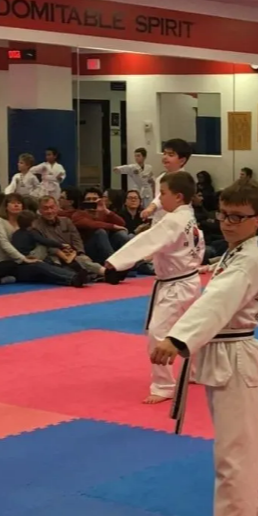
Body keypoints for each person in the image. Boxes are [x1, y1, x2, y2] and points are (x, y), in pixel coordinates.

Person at [151, 178, 258, 516]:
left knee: (233, 452)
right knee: (246, 441)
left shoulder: (247, 260)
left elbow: (217, 301)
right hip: (226, 353)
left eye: (237, 217)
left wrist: (177, 339)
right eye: (223, 215)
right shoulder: (237, 252)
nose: (227, 223)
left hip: (234, 355)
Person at [104, 171, 206, 405]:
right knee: (191, 329)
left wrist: (116, 261)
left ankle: (164, 385)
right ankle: (197, 371)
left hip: (175, 285)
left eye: (163, 194)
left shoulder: (172, 221)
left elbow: (147, 240)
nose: (160, 198)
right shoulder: (188, 215)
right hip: (189, 280)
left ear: (178, 196)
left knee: (158, 333)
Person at [0, 196, 84, 286]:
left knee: (46, 270)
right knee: (40, 264)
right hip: (15, 262)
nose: (16, 205)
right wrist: (24, 258)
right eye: (13, 203)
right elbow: (5, 244)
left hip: (28, 259)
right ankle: (72, 277)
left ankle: (73, 278)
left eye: (19, 203)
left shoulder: (19, 230)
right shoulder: (1, 222)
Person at [31, 196, 105, 280]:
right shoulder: (36, 226)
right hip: (54, 256)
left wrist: (79, 252)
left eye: (52, 207)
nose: (49, 211)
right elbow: (44, 245)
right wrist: (62, 254)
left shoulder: (66, 221)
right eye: (45, 208)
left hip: (72, 252)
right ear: (40, 210)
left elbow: (76, 239)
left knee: (83, 260)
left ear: (57, 207)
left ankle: (106, 272)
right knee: (57, 265)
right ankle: (86, 275)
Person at [68, 188, 132, 264]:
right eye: (88, 199)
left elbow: (122, 223)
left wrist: (105, 210)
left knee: (121, 234)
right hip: (88, 249)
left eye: (95, 199)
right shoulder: (78, 214)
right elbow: (91, 224)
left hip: (105, 248)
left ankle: (130, 262)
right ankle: (114, 263)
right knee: (100, 232)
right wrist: (113, 226)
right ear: (84, 202)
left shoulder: (103, 213)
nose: (91, 201)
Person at [143, 139, 192, 226]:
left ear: (182, 160)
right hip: (159, 221)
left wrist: (152, 207)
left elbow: (163, 197)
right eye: (164, 153)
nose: (165, 157)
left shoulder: (183, 179)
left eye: (171, 155)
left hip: (176, 223)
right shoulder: (160, 177)